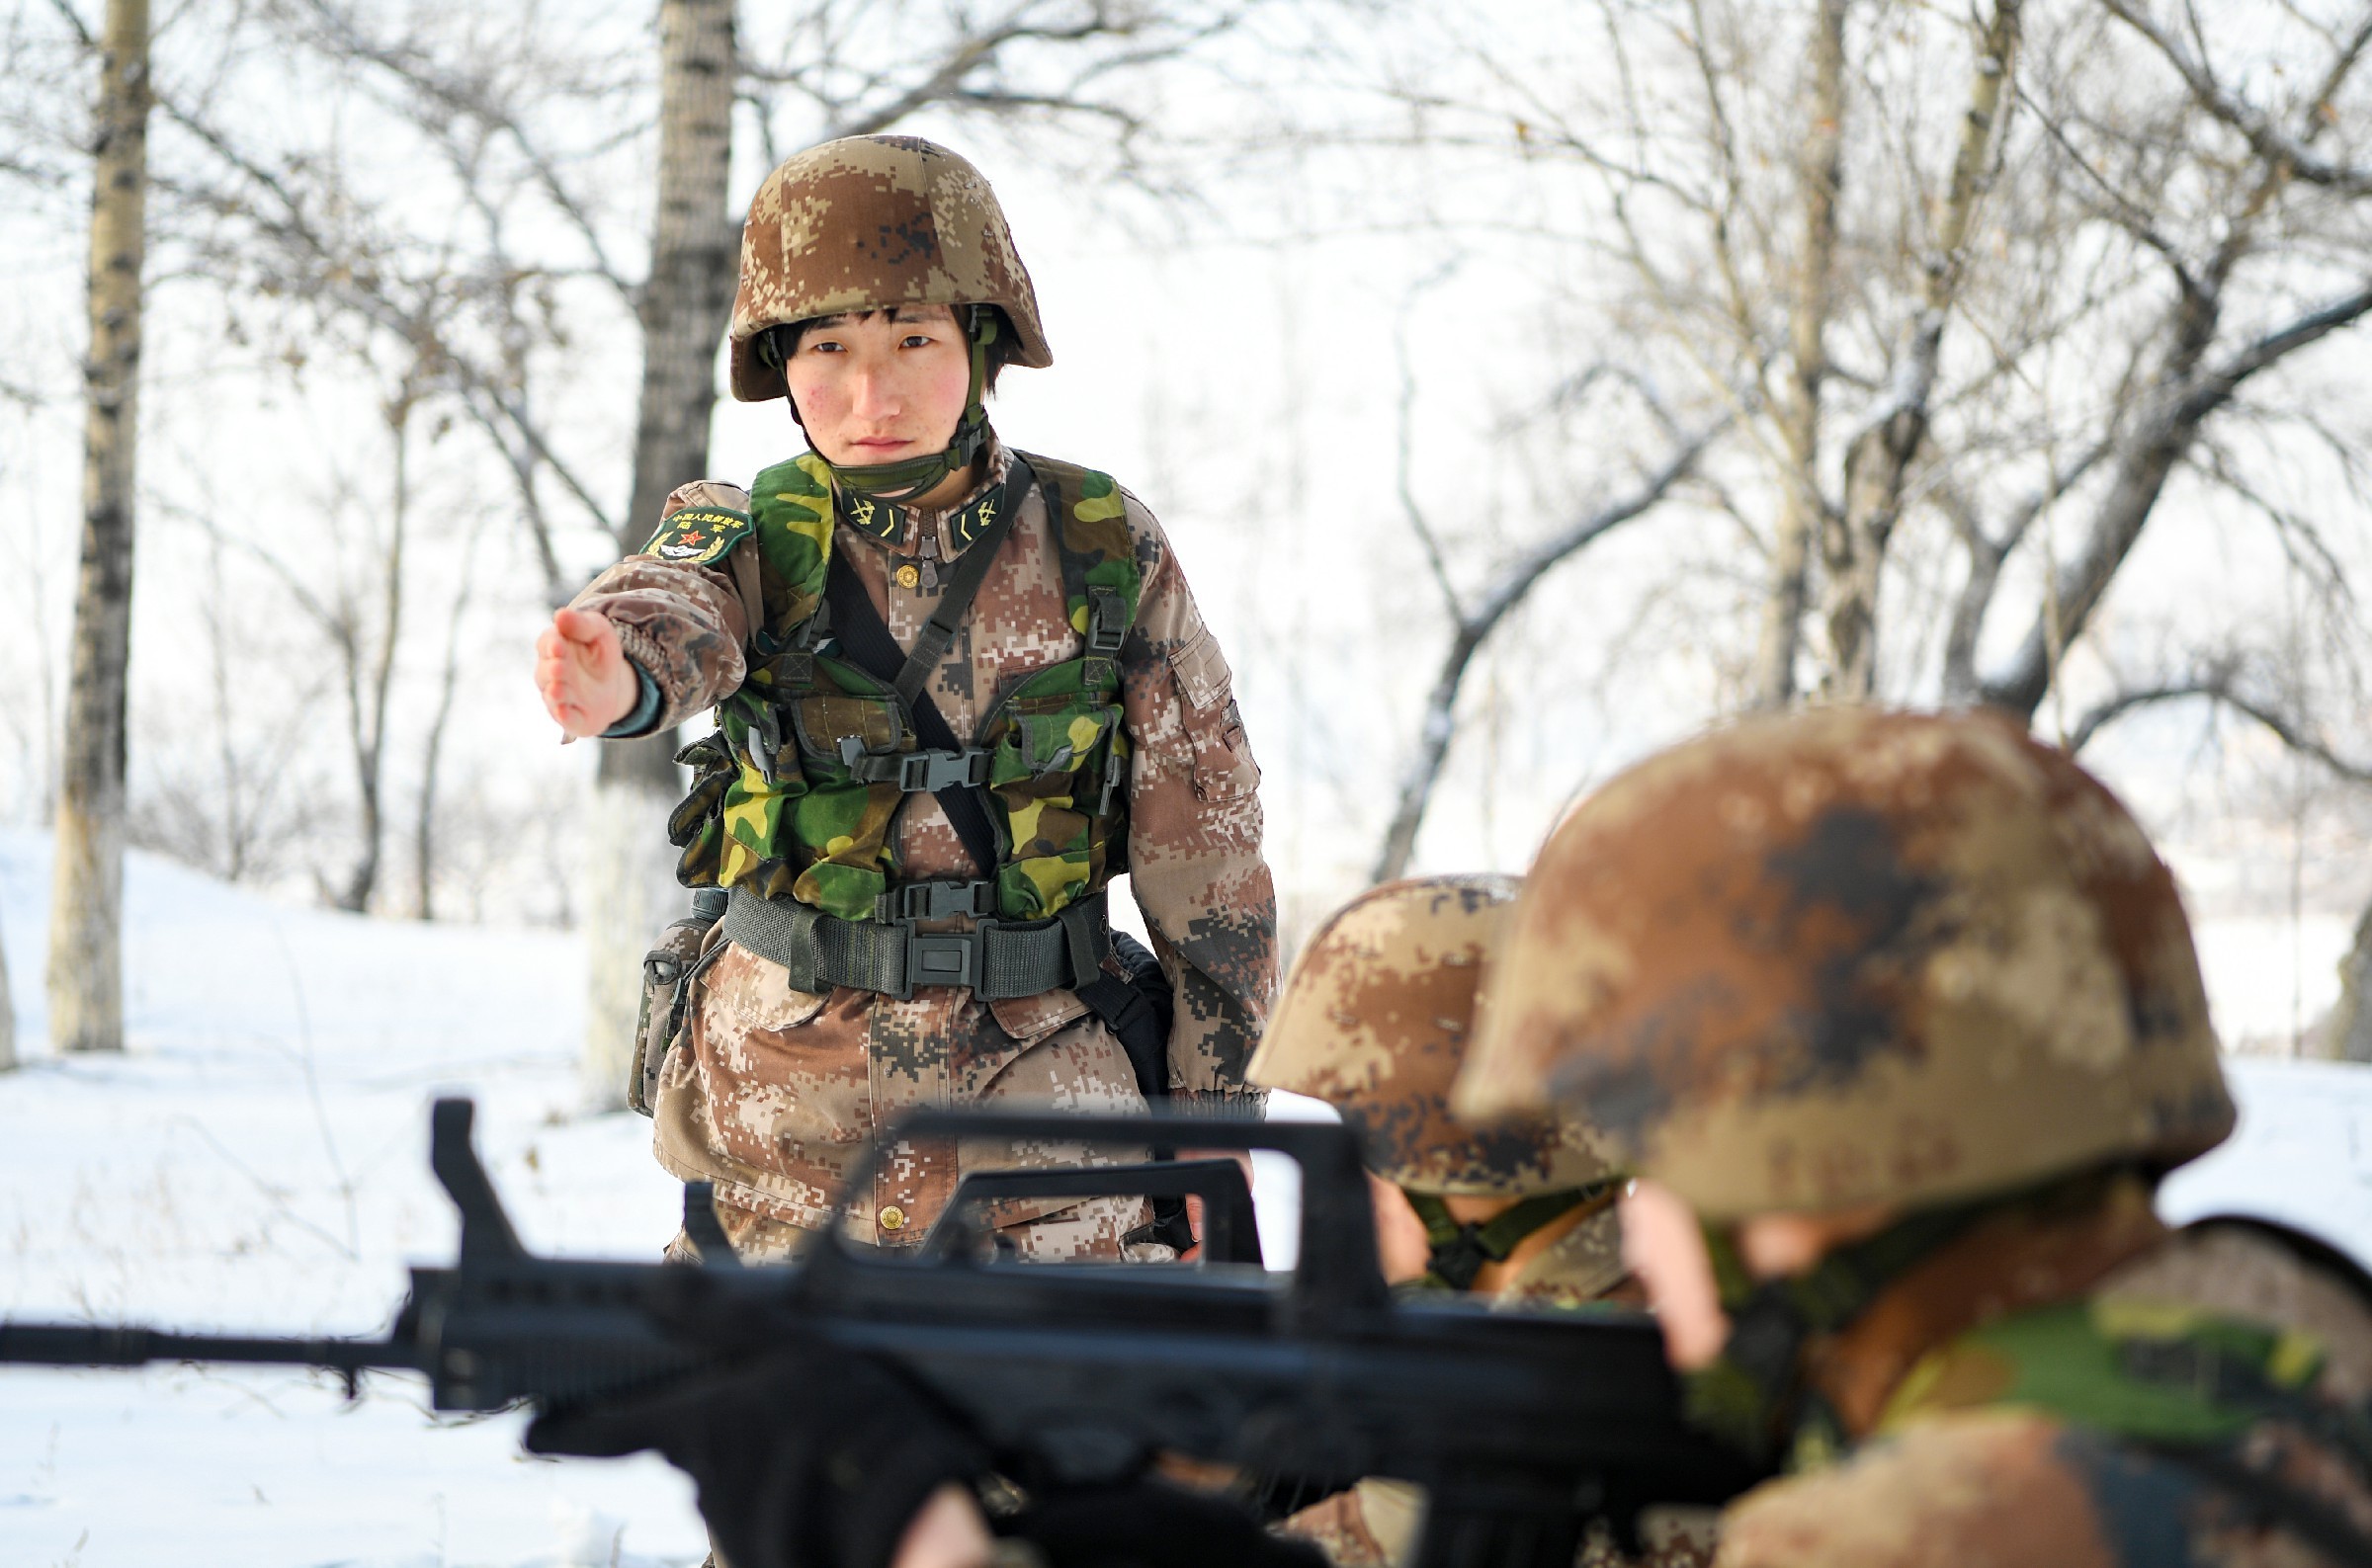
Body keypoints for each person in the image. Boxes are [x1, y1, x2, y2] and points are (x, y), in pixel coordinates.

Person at [532, 135, 1275, 1262]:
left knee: (1078, 1432)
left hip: (1046, 1149)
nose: (869, 393)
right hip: (782, 1138)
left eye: (914, 340)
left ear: (982, 346)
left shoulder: (1100, 545)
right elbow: (673, 606)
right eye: (829, 345)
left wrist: (1217, 1138)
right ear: (780, 360)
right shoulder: (744, 536)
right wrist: (623, 673)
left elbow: (1207, 857)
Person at [1454, 706, 2372, 1567]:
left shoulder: (1905, 1536)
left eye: (1657, 1161)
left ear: (1823, 1157)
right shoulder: (2301, 1328)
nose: (1642, 1231)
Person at [1245, 872, 1685, 1566]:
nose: (1358, 1185)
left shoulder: (1521, 1439)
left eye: (1362, 1143)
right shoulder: (1695, 1348)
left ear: (1452, 1177)